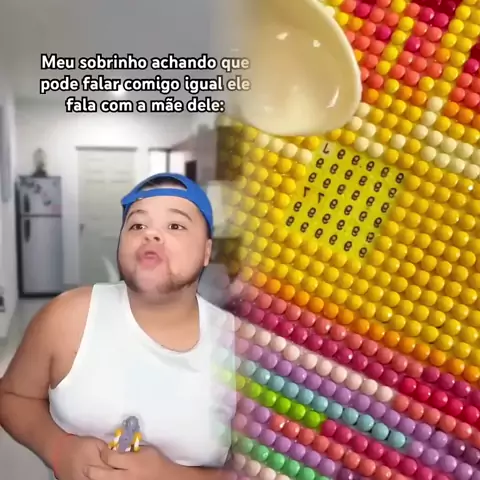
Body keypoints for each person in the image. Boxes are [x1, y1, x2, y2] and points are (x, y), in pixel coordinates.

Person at [0, 173, 236, 480]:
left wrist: (169, 475)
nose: (151, 234)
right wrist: (58, 448)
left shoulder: (244, 347)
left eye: (175, 225)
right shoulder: (67, 317)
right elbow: (12, 397)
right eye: (137, 225)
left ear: (206, 251)